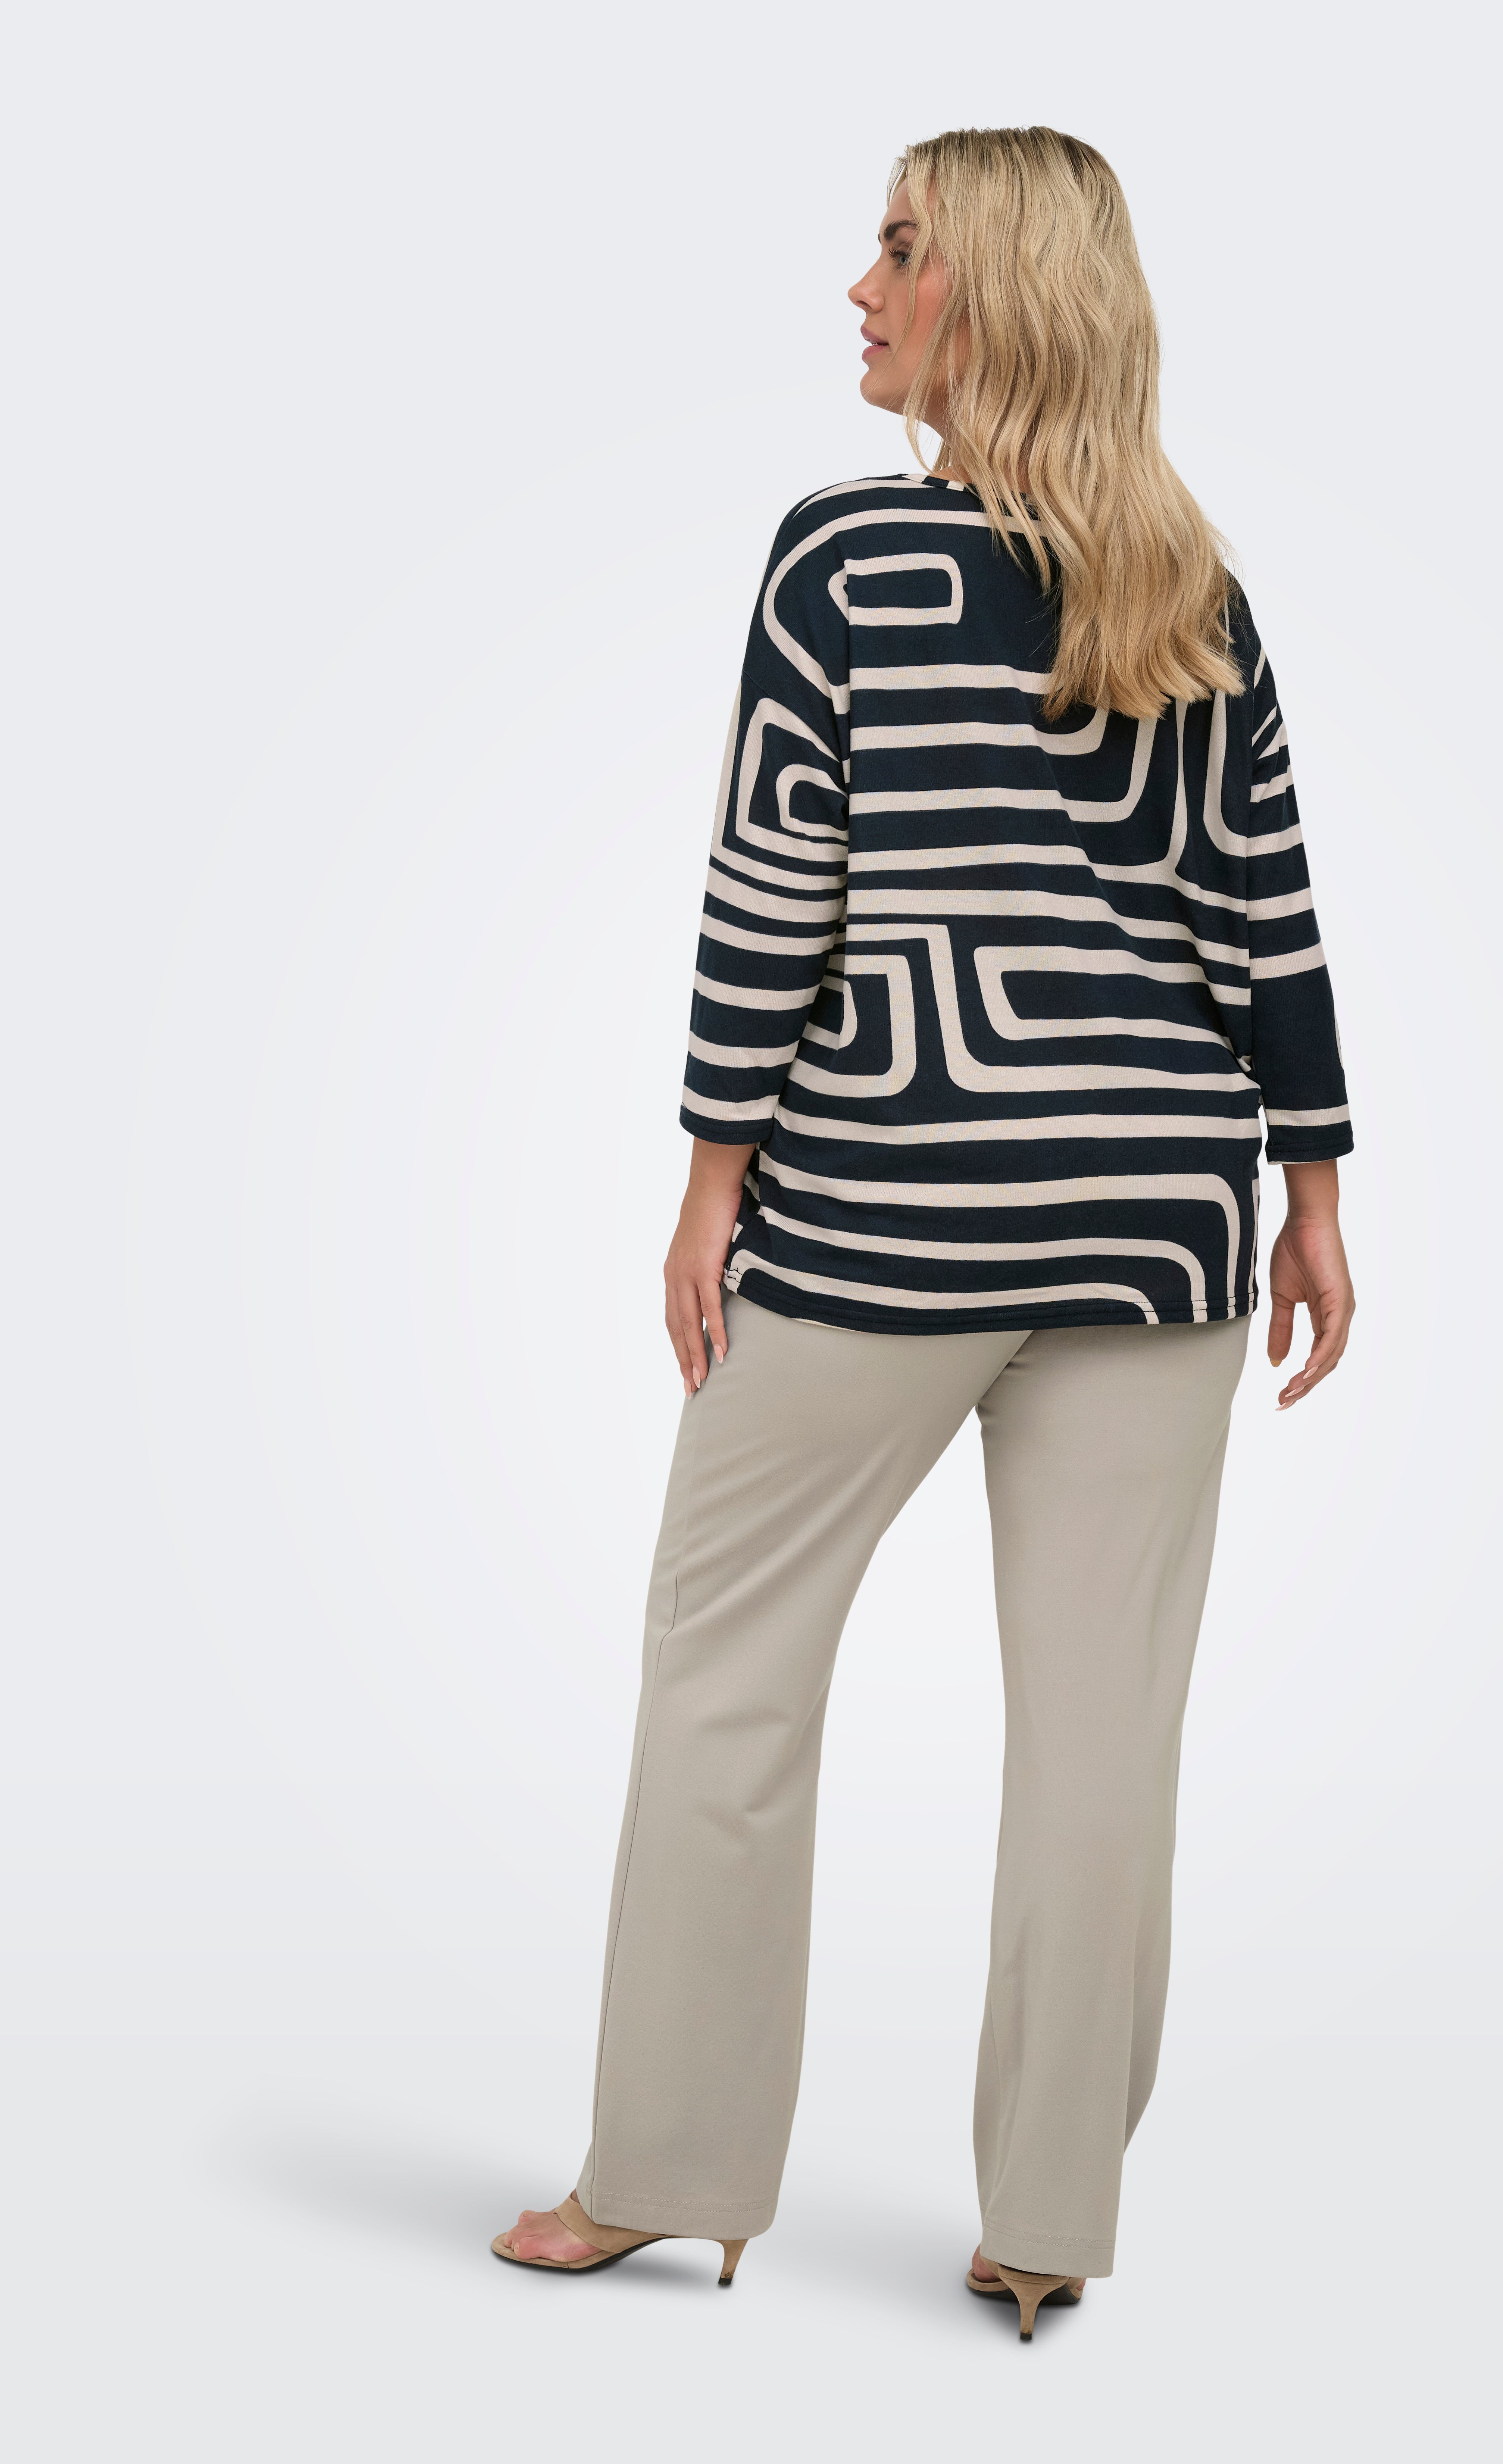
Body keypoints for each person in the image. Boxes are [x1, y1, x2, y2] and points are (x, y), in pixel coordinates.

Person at [492, 124, 1355, 2338]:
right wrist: (1312, 1190)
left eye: (900, 251)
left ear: (1002, 292)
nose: (861, 291)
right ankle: (1045, 2226)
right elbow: (1264, 907)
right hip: (1158, 1227)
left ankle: (665, 2177)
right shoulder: (1195, 583)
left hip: (887, 1212)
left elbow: (773, 881)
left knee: (727, 1676)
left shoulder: (848, 560)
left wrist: (711, 1178)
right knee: (1103, 1739)